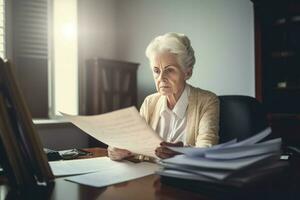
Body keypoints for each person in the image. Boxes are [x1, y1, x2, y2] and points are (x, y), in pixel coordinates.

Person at [108, 32, 219, 160]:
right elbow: (136, 146)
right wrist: (120, 150)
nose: (161, 78)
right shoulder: (150, 102)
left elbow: (207, 151)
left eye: (170, 70)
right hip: (149, 177)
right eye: (156, 71)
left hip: (185, 177)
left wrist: (183, 152)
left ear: (187, 72)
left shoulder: (207, 101)